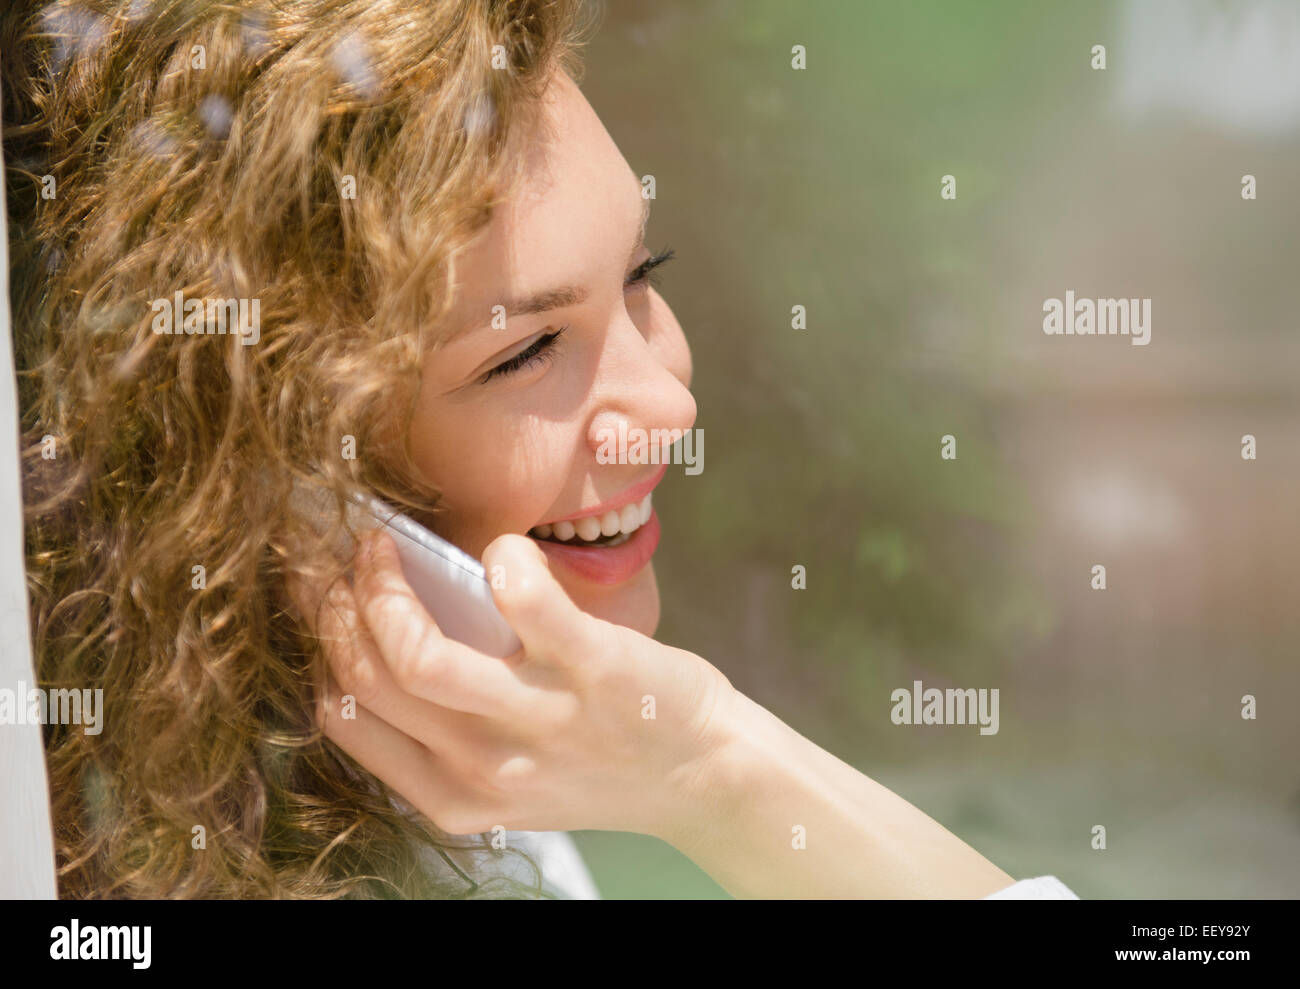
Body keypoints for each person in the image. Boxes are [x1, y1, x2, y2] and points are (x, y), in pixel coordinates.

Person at [3, 0, 1074, 899]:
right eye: (526, 354)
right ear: (278, 467)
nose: (666, 406)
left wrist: (703, 762)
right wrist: (705, 767)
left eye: (642, 273)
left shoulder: (472, 807)